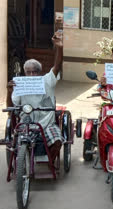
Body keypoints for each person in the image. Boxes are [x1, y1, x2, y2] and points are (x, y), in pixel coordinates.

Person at [7, 31, 63, 164]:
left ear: (40, 72)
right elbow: (11, 108)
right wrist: (9, 92)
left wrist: (59, 47)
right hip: (26, 124)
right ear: (24, 73)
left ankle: (50, 160)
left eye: (35, 71)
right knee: (16, 143)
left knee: (57, 141)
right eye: (28, 72)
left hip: (47, 123)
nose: (32, 75)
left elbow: (57, 66)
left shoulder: (46, 80)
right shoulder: (20, 84)